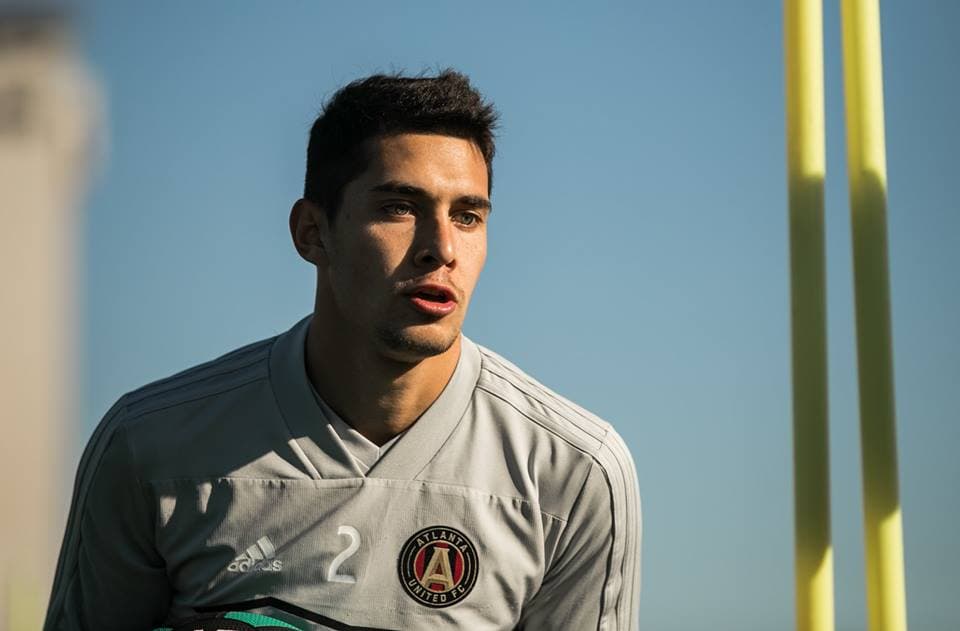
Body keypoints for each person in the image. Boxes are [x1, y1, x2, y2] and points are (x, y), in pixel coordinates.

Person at [44, 70, 641, 631]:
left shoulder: (573, 471)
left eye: (467, 216)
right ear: (312, 232)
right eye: (399, 208)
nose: (441, 248)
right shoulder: (150, 444)